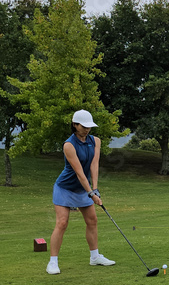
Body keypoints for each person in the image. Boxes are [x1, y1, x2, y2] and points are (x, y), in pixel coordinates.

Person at [46, 110, 116, 274]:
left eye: (89, 127)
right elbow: (79, 173)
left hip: (84, 188)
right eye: (84, 126)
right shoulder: (69, 145)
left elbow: (94, 165)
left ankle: (95, 257)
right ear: (75, 125)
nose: (87, 129)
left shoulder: (95, 141)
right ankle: (53, 262)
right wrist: (91, 193)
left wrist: (95, 189)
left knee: (92, 220)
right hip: (65, 188)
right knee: (62, 223)